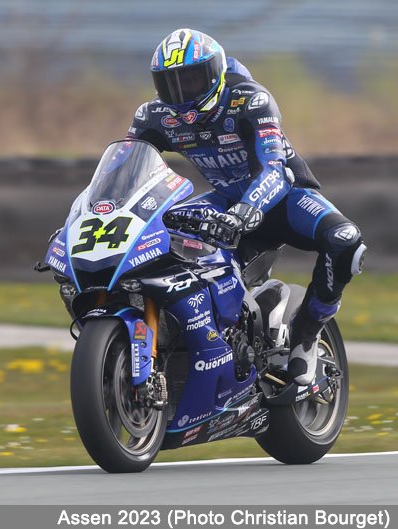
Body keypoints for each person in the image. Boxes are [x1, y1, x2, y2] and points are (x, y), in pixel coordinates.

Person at [126, 28, 366, 385]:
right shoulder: (153, 115)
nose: (182, 93)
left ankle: (306, 334)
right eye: (170, 84)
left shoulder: (250, 100)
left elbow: (273, 168)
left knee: (346, 240)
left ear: (215, 74)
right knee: (157, 233)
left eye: (191, 80)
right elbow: (127, 169)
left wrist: (246, 209)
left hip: (283, 198)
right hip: (224, 200)